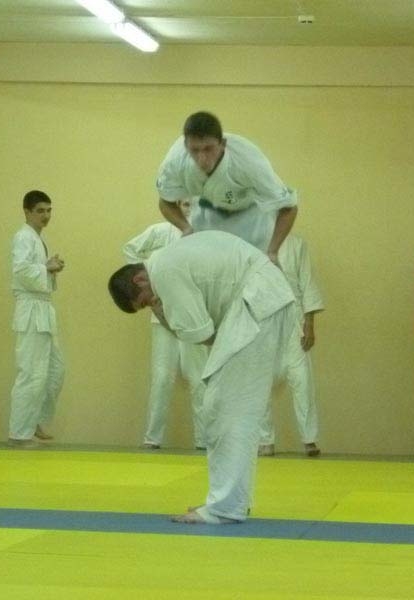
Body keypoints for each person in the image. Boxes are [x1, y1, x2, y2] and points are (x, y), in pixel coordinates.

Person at [108, 230, 297, 524]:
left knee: (227, 408)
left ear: (140, 280)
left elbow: (201, 334)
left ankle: (225, 507)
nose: (152, 304)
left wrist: (162, 314)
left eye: (144, 302)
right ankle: (231, 502)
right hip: (262, 301)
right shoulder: (168, 261)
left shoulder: (164, 271)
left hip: (257, 304)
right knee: (229, 408)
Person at [122, 199, 208, 450]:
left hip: (192, 314)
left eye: (192, 204)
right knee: (161, 378)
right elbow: (130, 249)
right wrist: (150, 280)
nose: (188, 209)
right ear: (176, 205)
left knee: (198, 378)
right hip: (162, 315)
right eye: (184, 204)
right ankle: (152, 438)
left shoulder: (205, 234)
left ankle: (204, 440)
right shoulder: (159, 231)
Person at [155, 110, 297, 259]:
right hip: (207, 215)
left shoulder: (249, 161)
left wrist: (273, 251)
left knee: (249, 268)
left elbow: (289, 208)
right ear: (186, 146)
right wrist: (185, 228)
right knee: (205, 267)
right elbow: (165, 201)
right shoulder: (175, 161)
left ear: (223, 144)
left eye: (208, 149)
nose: (202, 159)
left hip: (250, 218)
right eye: (195, 150)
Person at [258, 233, 324, 457]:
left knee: (302, 380)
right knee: (260, 382)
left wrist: (310, 324)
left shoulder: (297, 245)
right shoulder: (251, 241)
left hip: (293, 318)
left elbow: (307, 283)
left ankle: (309, 439)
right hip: (261, 319)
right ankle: (265, 440)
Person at [8, 190, 66, 448]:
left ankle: (36, 421)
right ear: (27, 212)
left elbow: (35, 271)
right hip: (30, 310)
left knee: (55, 372)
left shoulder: (38, 239)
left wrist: (49, 265)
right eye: (40, 210)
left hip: (43, 309)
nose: (46, 215)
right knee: (31, 373)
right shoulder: (23, 237)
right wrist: (46, 268)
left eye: (49, 210)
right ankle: (18, 434)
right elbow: (20, 271)